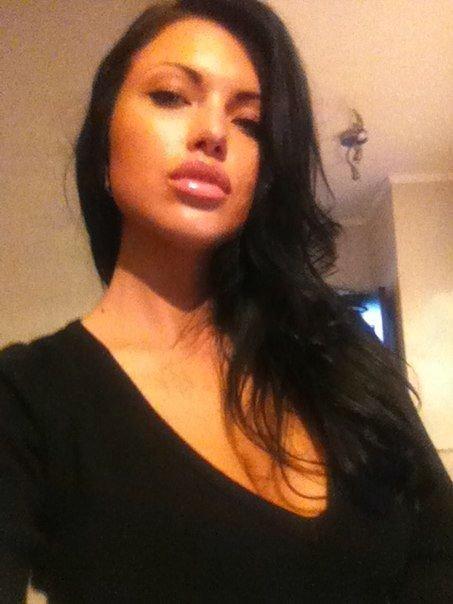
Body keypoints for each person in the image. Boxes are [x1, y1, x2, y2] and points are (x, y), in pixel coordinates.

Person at [1, 0, 452, 601]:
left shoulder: (341, 355)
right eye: (171, 96)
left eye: (249, 124)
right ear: (103, 145)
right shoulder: (28, 399)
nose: (214, 133)